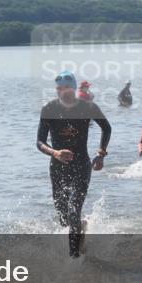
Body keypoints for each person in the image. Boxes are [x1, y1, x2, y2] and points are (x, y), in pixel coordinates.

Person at [36, 71, 111, 257]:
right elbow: (39, 142)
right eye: (59, 89)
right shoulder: (49, 109)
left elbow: (106, 128)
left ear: (74, 88)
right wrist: (55, 152)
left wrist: (101, 154)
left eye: (66, 88)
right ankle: (81, 228)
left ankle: (74, 258)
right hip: (58, 167)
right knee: (63, 216)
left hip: (81, 166)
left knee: (73, 210)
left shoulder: (88, 107)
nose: (63, 92)